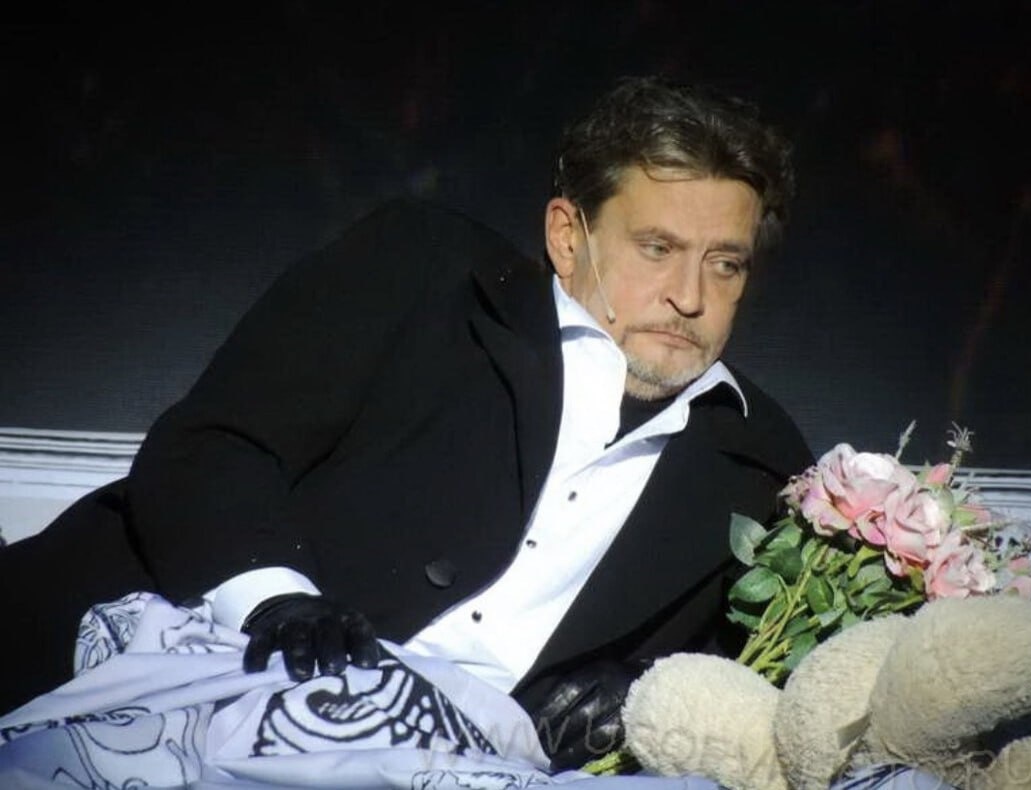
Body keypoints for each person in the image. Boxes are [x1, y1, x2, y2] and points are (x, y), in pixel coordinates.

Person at [0, 75, 813, 768]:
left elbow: (754, 673)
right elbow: (213, 444)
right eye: (657, 249)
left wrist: (643, 690)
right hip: (154, 673)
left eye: (725, 264)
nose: (690, 298)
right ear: (569, 238)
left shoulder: (760, 462)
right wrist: (276, 602)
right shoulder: (427, 275)